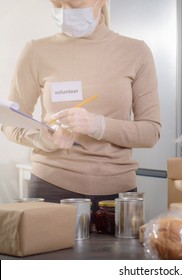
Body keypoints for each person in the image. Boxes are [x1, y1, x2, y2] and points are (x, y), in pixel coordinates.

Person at [0, 0, 161, 222]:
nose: (65, 14)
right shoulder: (35, 51)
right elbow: (9, 122)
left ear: (100, 2)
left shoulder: (136, 52)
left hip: (117, 196)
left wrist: (97, 125)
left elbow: (151, 132)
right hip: (51, 189)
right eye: (58, 6)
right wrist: (43, 140)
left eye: (74, 7)